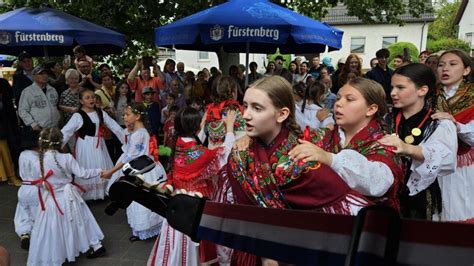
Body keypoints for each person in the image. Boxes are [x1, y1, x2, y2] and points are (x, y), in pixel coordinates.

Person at [228, 76, 371, 265]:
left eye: (257, 108)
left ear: (282, 114)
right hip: (250, 253)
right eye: (245, 106)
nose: (246, 114)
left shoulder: (301, 158)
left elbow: (342, 211)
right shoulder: (240, 155)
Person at [289, 77, 404, 210]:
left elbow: (378, 182)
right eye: (338, 98)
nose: (338, 104)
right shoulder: (320, 136)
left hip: (367, 224)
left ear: (371, 109)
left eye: (349, 99)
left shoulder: (384, 143)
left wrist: (330, 159)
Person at [148, 107, 237, 266]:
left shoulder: (179, 144)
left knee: (175, 246)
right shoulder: (198, 153)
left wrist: (201, 123)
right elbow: (223, 153)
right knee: (192, 249)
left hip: (177, 206)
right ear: (196, 127)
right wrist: (230, 128)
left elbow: (196, 142)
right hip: (193, 210)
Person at [378, 63, 457, 220]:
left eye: (400, 87)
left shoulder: (438, 123)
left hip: (419, 200)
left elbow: (446, 160)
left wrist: (407, 148)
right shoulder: (384, 119)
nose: (393, 93)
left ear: (422, 90)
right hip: (382, 195)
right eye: (392, 87)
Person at [26, 128, 109, 265]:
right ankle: (96, 245)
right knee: (82, 220)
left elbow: (37, 182)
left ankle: (61, 255)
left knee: (55, 227)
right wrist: (100, 171)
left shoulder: (37, 162)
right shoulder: (67, 158)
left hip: (52, 201)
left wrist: (44, 185)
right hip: (70, 197)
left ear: (41, 143)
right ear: (60, 142)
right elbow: (82, 173)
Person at [106, 103, 167, 241]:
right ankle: (146, 227)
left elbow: (129, 156)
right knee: (144, 198)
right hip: (145, 168)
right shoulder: (140, 132)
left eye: (127, 114)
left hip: (140, 171)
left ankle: (144, 228)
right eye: (124, 115)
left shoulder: (138, 135)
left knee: (139, 199)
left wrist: (111, 171)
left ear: (137, 116)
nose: (124, 117)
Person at [432, 49, 473, 221]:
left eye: (452, 64)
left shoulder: (472, 97)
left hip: (463, 165)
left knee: (460, 208)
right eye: (441, 65)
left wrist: (453, 124)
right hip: (433, 162)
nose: (445, 69)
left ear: (466, 70)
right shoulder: (429, 96)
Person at [61, 88, 124, 200]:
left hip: (99, 144)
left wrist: (126, 139)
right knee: (88, 165)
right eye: (87, 97)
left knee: (101, 163)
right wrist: (56, 146)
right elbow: (67, 131)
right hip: (86, 145)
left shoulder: (100, 112)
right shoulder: (78, 115)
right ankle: (89, 194)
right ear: (81, 101)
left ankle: (105, 191)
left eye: (93, 97)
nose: (91, 99)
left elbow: (114, 126)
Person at [18, 66, 61, 141]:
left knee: (54, 150)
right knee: (42, 150)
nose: (44, 76)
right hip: (39, 129)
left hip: (54, 128)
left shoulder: (52, 89)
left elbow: (55, 105)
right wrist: (33, 124)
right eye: (40, 74)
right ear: (34, 77)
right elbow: (22, 110)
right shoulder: (28, 91)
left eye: (46, 73)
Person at [204, 76, 246, 149]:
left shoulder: (210, 110)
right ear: (233, 93)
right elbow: (243, 137)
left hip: (213, 154)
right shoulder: (235, 111)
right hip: (230, 155)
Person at [14, 134, 40, 250]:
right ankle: (39, 235)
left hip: (24, 188)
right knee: (38, 212)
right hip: (36, 188)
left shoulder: (22, 154)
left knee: (23, 212)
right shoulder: (37, 157)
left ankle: (24, 233)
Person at [0, 78, 21, 186]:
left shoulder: (3, 83)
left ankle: (11, 176)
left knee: (7, 151)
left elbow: (9, 102)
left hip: (5, 125)